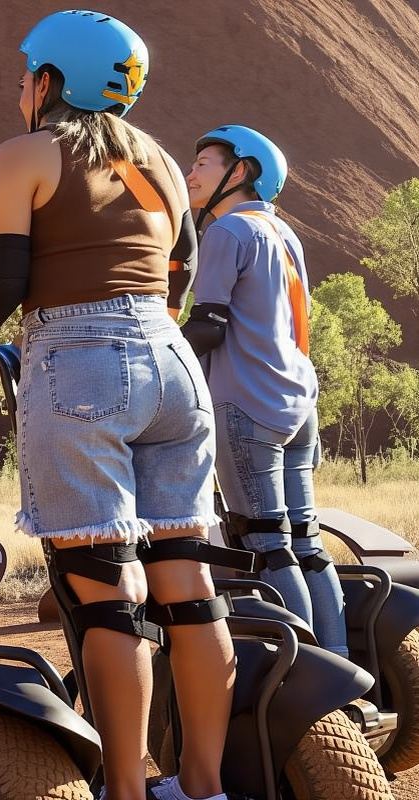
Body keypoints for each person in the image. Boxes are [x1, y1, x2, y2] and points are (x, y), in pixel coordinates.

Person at [0, 11, 232, 800]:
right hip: (171, 367)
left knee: (106, 591)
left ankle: (124, 790)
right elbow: (179, 274)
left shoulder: (23, 153)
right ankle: (202, 786)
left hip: (81, 363)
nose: (20, 87)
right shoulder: (159, 160)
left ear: (52, 80)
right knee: (185, 585)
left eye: (28, 73)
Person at [183, 125, 346, 657]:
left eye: (204, 162)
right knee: (307, 544)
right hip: (298, 402)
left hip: (248, 405)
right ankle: (338, 662)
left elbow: (208, 326)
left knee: (268, 546)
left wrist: (158, 355)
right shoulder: (283, 234)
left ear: (242, 172)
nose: (192, 171)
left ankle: (306, 678)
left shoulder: (227, 233)